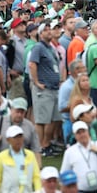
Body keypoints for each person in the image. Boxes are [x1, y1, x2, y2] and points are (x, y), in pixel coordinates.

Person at [29, 21, 62, 157]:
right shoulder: (38, 47)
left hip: (53, 87)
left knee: (53, 118)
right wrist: (36, 82)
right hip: (43, 88)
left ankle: (46, 144)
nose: (49, 31)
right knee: (42, 120)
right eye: (46, 30)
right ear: (40, 34)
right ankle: (40, 147)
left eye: (50, 29)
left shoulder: (50, 48)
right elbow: (32, 64)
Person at [0, 125, 42, 193]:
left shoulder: (30, 155)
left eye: (20, 137)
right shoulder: (1, 156)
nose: (18, 140)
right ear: (8, 140)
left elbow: (36, 176)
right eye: (15, 137)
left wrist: (38, 190)